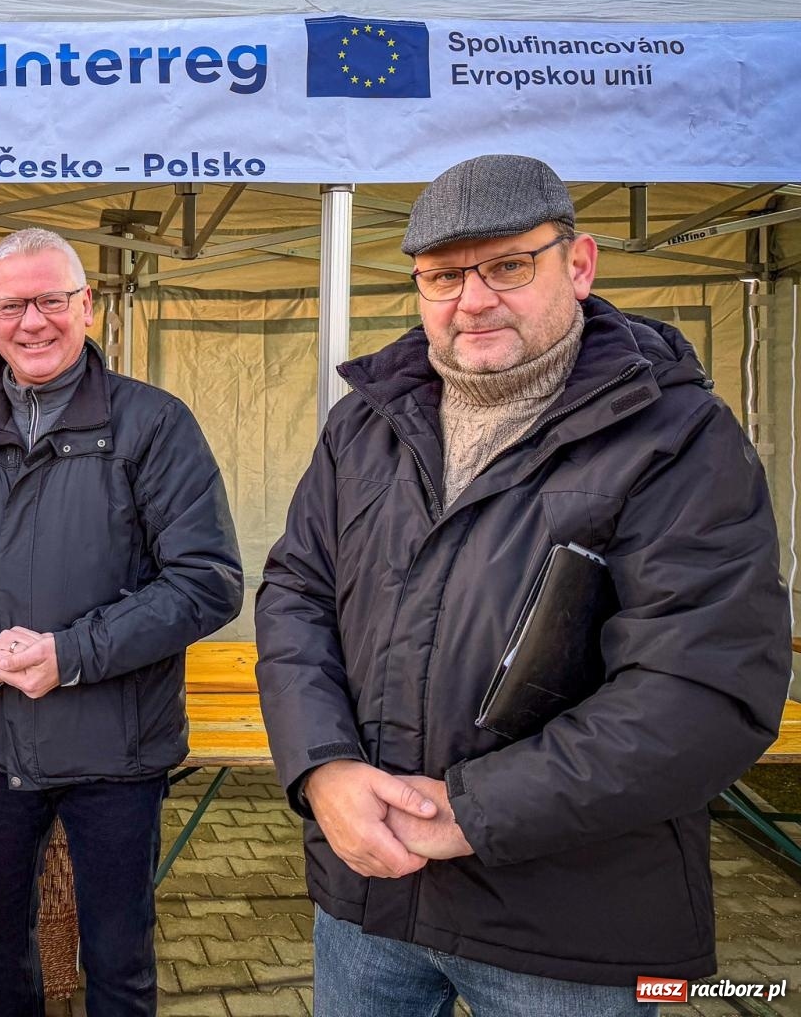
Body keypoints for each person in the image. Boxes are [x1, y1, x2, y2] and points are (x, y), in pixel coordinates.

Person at [256, 154, 793, 1017]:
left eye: (507, 265)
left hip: (568, 930)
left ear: (578, 265)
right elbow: (296, 599)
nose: (472, 299)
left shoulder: (678, 436)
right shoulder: (363, 425)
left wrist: (472, 812)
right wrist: (323, 769)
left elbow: (703, 688)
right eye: (443, 276)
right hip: (369, 900)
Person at [0, 227, 244, 1017]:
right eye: (11, 305)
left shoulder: (153, 424)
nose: (33, 322)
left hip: (116, 751)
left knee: (117, 955)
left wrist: (73, 653)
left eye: (51, 300)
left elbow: (208, 579)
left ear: (87, 307)